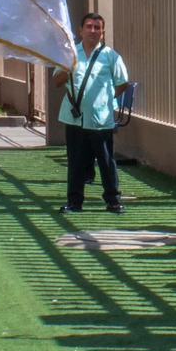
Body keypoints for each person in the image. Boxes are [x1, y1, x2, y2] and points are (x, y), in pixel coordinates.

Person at [54, 12, 132, 212]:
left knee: (106, 161)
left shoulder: (110, 56)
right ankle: (74, 201)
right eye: (89, 26)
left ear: (103, 33)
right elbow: (57, 81)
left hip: (100, 118)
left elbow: (122, 83)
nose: (93, 31)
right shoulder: (69, 54)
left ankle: (113, 200)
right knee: (76, 162)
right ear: (80, 30)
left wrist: (105, 99)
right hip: (74, 119)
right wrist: (66, 67)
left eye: (97, 28)